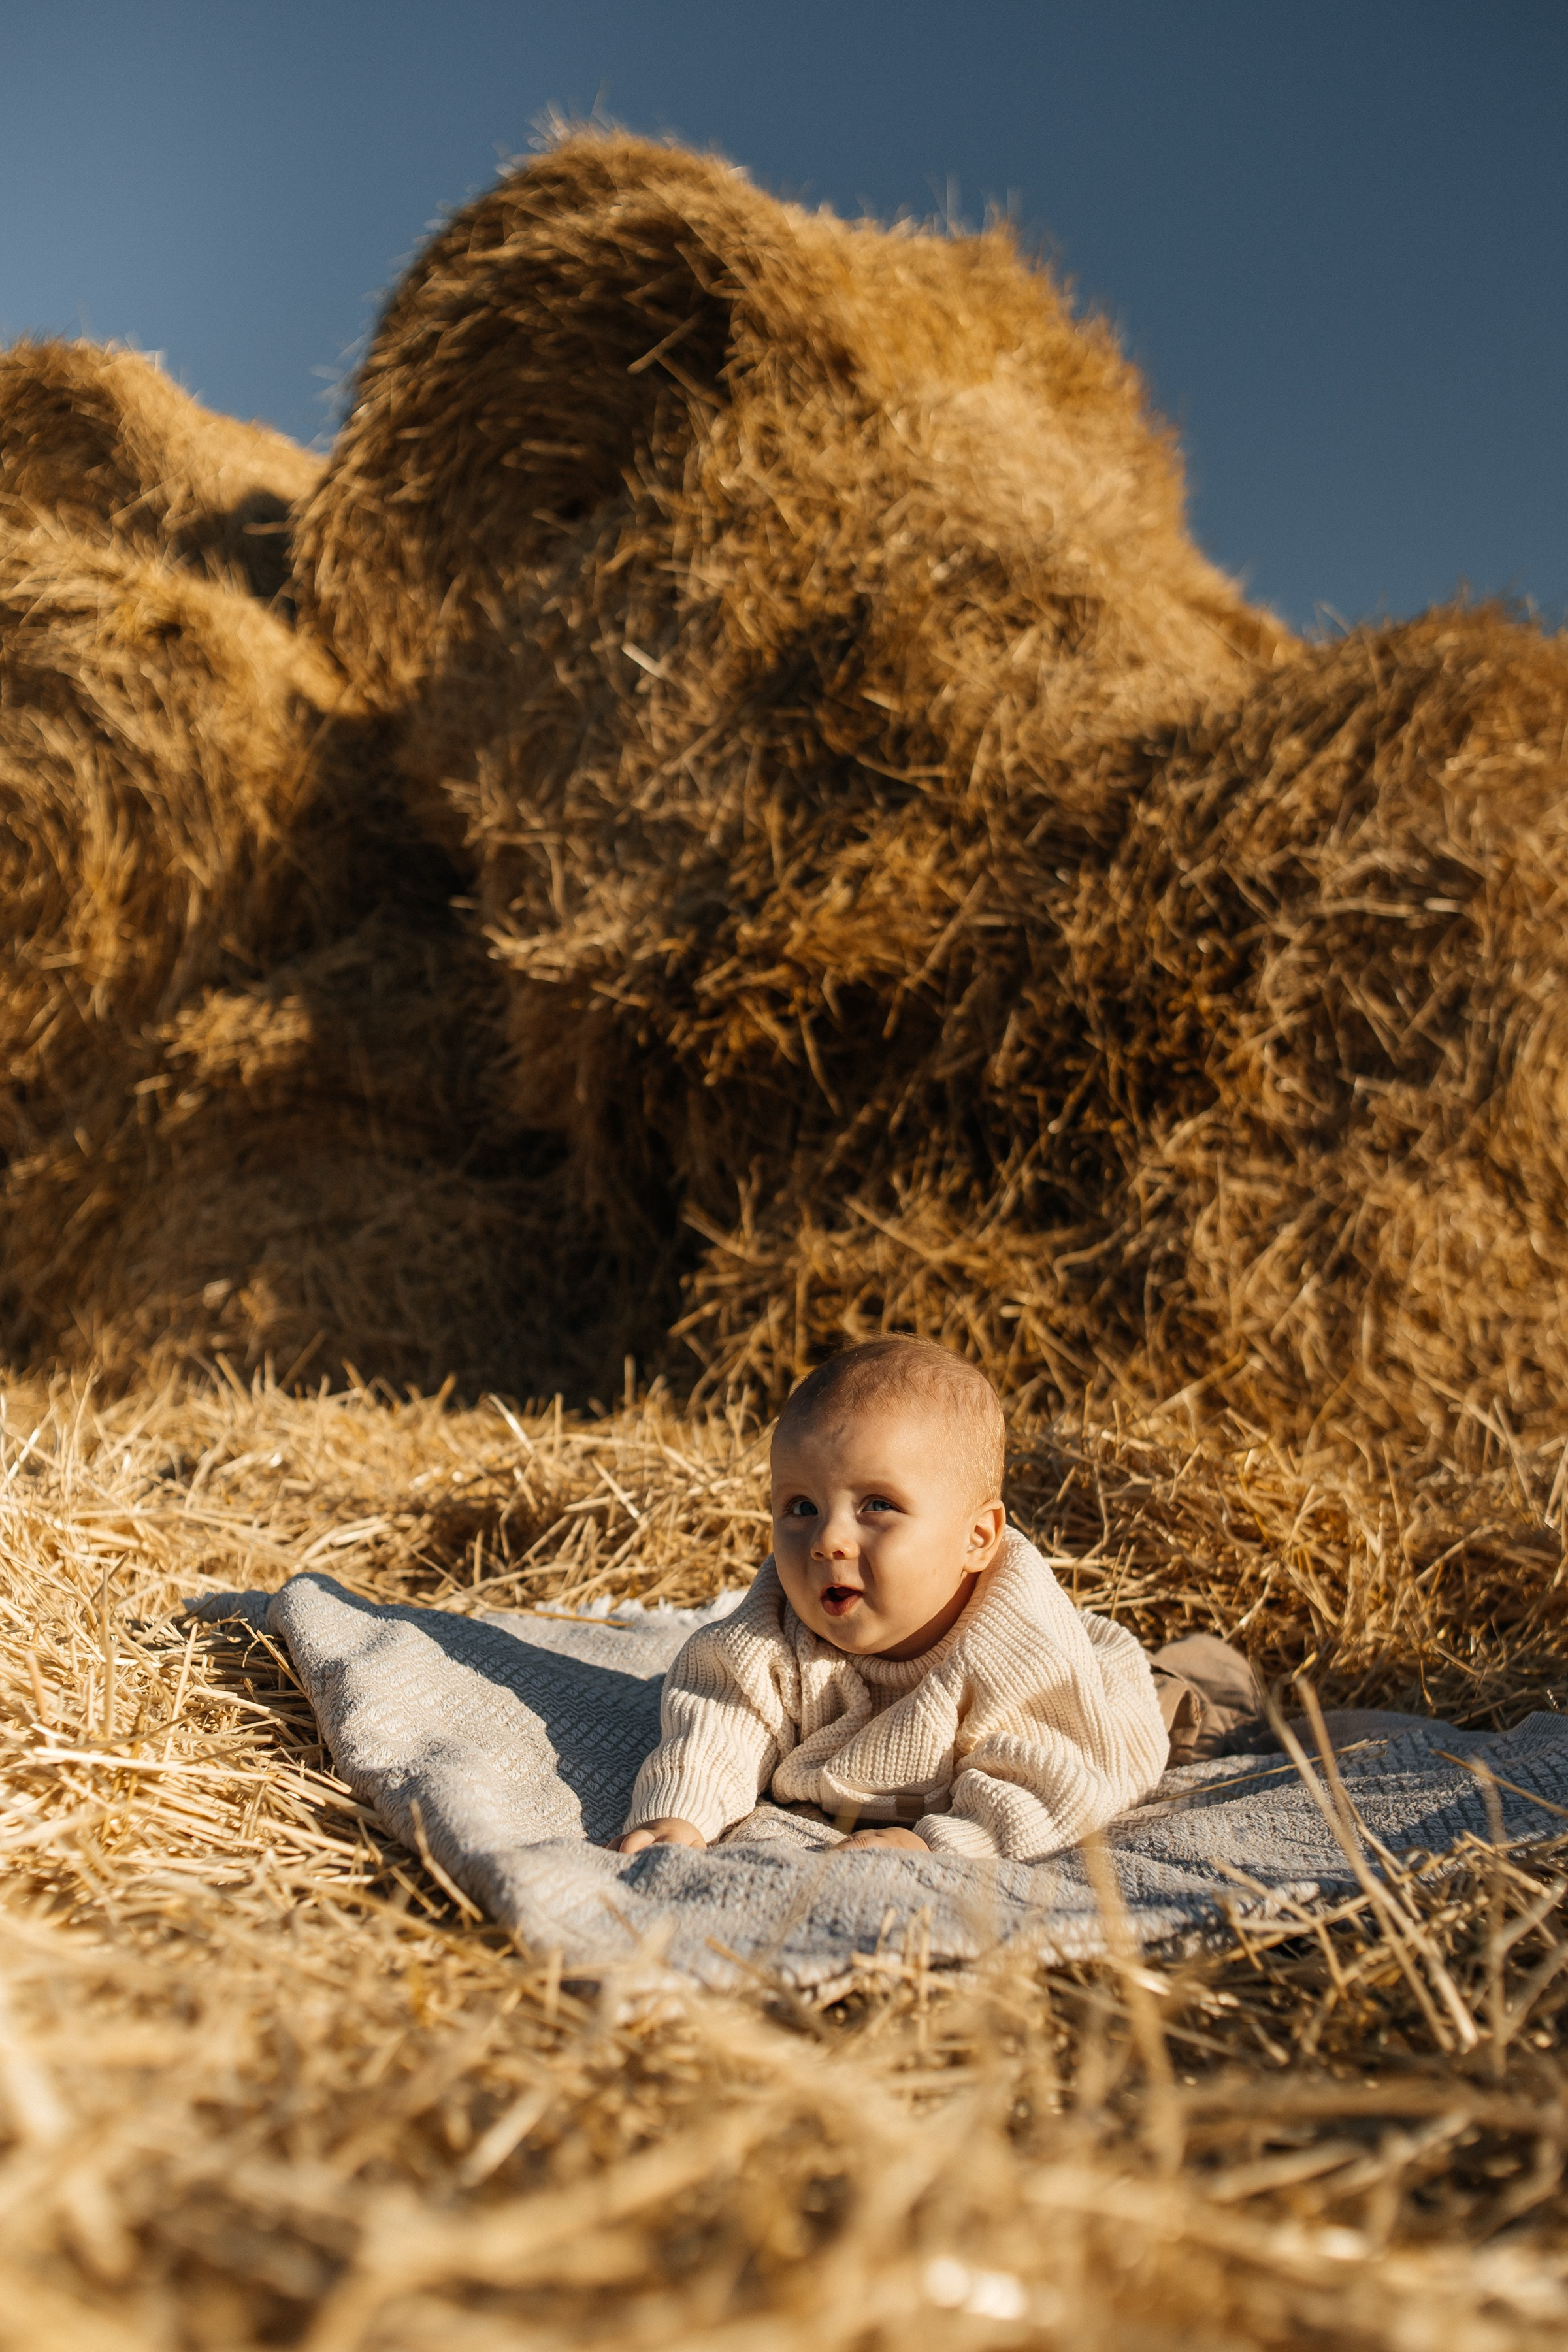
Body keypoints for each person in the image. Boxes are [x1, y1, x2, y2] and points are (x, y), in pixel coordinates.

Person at [613, 1337, 1249, 1861]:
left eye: (877, 1506)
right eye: (800, 1507)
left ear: (976, 1539)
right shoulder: (774, 1626)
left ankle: (1217, 1681)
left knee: (1188, 1716)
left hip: (1102, 1714)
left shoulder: (1018, 1651)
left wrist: (942, 1844)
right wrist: (682, 1810)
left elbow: (1048, 1784)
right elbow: (723, 1718)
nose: (828, 1539)